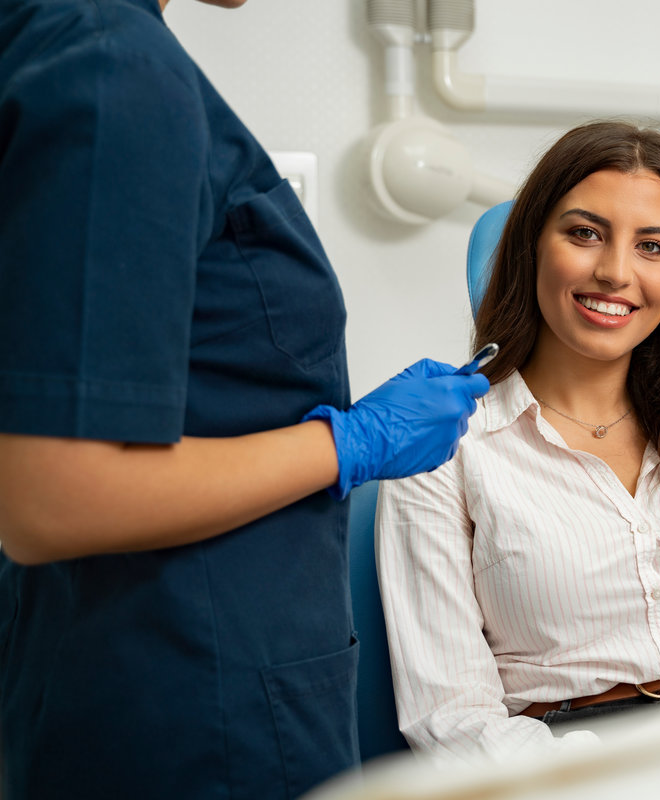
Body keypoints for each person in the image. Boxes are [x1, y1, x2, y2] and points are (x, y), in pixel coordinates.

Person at [0, 1, 489, 797]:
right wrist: (350, 442)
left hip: (135, 676)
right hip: (193, 708)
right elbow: (53, 495)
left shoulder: (62, 44)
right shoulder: (111, 67)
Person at [375, 120, 660, 764]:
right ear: (531, 246)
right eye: (586, 233)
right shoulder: (440, 450)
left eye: (652, 246)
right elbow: (452, 718)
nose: (616, 271)